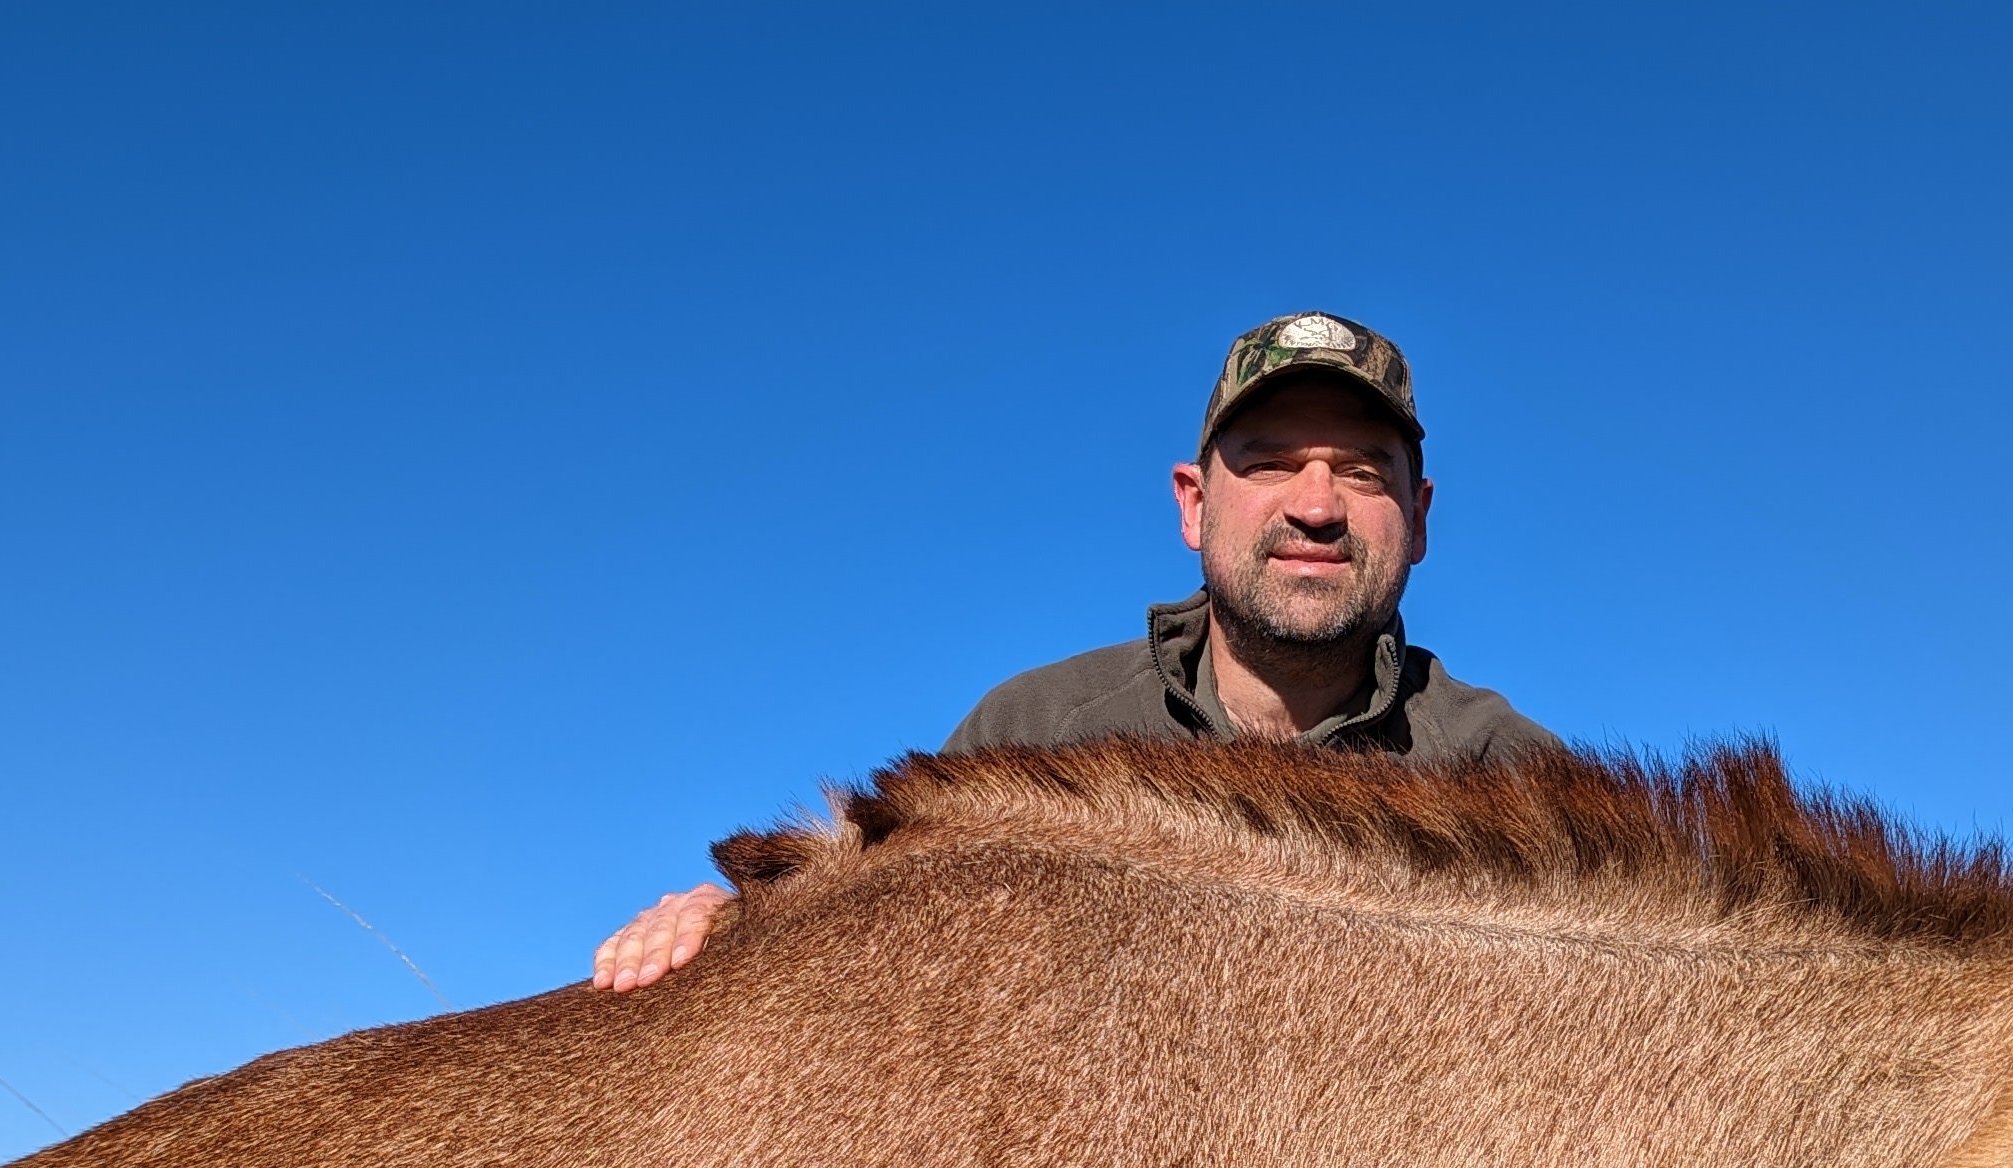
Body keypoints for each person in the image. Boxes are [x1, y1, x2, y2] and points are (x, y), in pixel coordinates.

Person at [593, 311, 1555, 990]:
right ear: (1192, 503)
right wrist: (742, 918)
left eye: (1361, 472)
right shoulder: (1035, 729)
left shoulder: (1512, 780)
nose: (1314, 506)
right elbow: (866, 904)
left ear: (1419, 518)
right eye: (1267, 464)